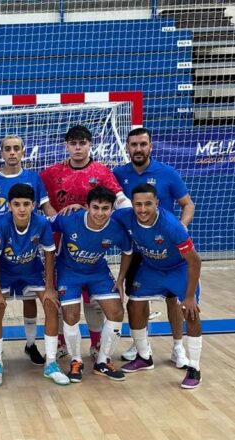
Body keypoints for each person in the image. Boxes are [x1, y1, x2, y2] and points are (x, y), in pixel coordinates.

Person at [40, 125, 131, 362]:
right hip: (61, 241)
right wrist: (57, 217)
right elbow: (41, 199)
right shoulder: (52, 173)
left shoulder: (101, 172)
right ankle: (61, 343)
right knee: (64, 300)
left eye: (82, 143)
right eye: (73, 143)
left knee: (93, 300)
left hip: (93, 242)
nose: (78, 148)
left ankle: (96, 343)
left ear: (90, 144)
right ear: (67, 146)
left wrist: (135, 220)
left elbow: (120, 201)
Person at [0, 134, 56, 366]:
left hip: (27, 249)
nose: (12, 152)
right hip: (1, 252)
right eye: (7, 148)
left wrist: (66, 224)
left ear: (23, 151)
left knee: (30, 299)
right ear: (1, 152)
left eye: (16, 148)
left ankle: (30, 344)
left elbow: (47, 208)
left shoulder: (32, 178)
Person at [113, 127, 196, 368]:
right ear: (127, 148)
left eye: (143, 144)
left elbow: (187, 204)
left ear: (151, 146)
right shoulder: (118, 174)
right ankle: (142, 346)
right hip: (136, 248)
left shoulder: (167, 173)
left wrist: (180, 227)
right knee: (137, 297)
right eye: (134, 145)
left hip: (167, 248)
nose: (138, 149)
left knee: (172, 298)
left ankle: (178, 347)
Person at [112, 184, 203, 389]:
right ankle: (144, 357)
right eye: (138, 204)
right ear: (132, 205)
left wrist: (189, 297)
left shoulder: (172, 225)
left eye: (148, 204)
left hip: (178, 268)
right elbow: (99, 216)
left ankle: (195, 368)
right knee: (134, 304)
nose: (142, 209)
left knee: (191, 312)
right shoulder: (125, 217)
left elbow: (195, 261)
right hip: (151, 268)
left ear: (157, 203)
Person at [50, 186, 132, 382]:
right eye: (95, 207)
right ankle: (76, 361)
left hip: (98, 272)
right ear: (87, 206)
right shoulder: (69, 218)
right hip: (68, 272)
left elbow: (127, 251)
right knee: (70, 314)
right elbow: (43, 225)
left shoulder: (117, 228)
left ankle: (103, 361)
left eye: (105, 208)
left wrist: (121, 278)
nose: (100, 213)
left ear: (113, 209)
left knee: (116, 311)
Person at [0, 184, 67, 386]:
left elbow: (49, 253)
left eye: (26, 204)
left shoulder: (41, 223)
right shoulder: (1, 224)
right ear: (9, 206)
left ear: (33, 205)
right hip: (4, 270)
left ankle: (51, 363)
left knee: (51, 304)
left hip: (31, 269)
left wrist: (49, 287)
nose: (21, 208)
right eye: (16, 204)